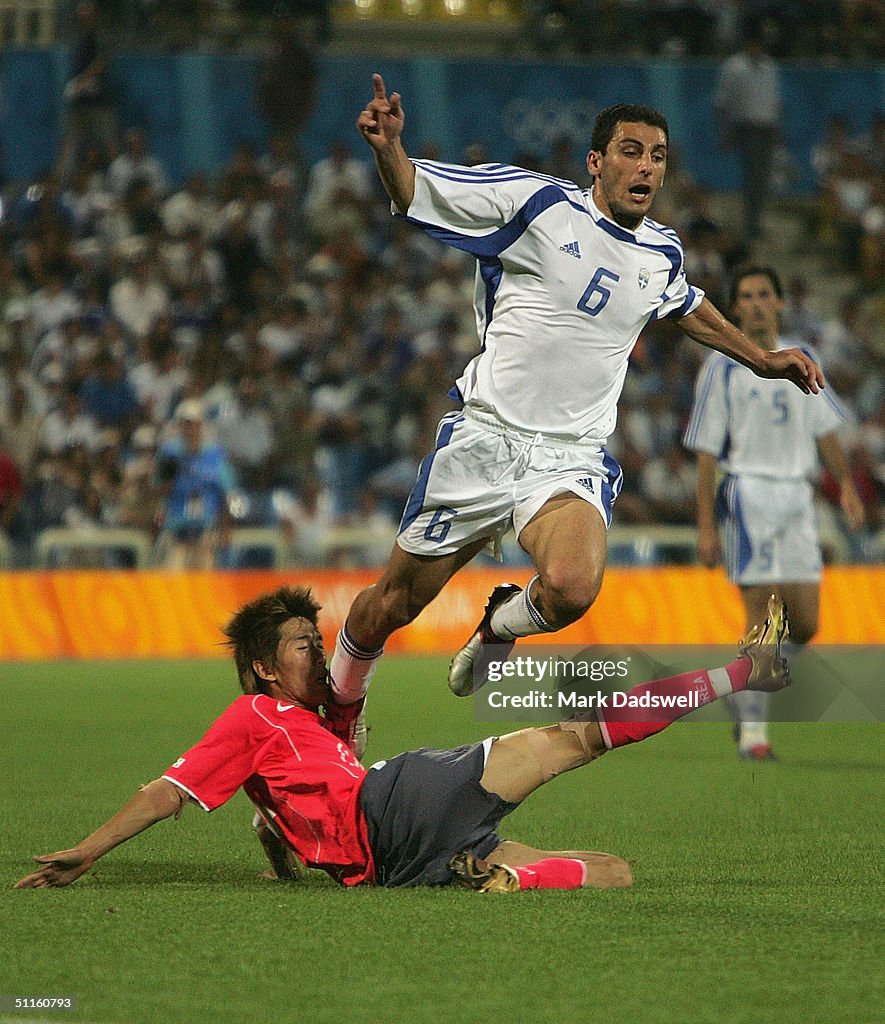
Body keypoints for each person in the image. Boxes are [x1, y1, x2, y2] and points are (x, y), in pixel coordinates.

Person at [324, 74, 822, 729]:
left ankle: (500, 622)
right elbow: (416, 190)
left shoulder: (661, 251)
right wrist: (389, 148)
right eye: (630, 150)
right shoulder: (534, 203)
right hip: (484, 439)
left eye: (657, 156)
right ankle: (338, 708)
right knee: (391, 604)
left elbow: (685, 303)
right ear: (595, 162)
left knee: (571, 588)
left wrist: (760, 359)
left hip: (568, 457)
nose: (645, 166)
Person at [15, 583, 790, 892]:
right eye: (297, 644)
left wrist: (281, 863)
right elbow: (167, 793)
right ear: (261, 667)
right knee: (576, 734)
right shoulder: (254, 715)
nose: (314, 651)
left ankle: (510, 880)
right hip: (397, 800)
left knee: (614, 873)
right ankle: (738, 674)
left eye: (314, 640)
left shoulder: (301, 731)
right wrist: (90, 848)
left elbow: (274, 816)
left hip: (398, 862)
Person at [683, 265, 864, 760]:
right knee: (764, 616)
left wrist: (845, 486)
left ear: (781, 303)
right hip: (749, 494)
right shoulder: (722, 366)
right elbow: (705, 451)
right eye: (747, 296)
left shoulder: (803, 359)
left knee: (805, 624)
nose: (757, 303)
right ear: (735, 307)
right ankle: (755, 734)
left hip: (798, 496)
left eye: (765, 294)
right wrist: (705, 526)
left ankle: (746, 690)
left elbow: (824, 427)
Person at [713, 20, 783, 241]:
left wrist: (777, 128)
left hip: (767, 127)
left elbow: (775, 101)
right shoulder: (734, 66)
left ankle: (757, 219)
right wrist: (725, 130)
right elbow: (723, 102)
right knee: (753, 175)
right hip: (746, 126)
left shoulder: (770, 67)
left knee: (763, 177)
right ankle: (751, 222)